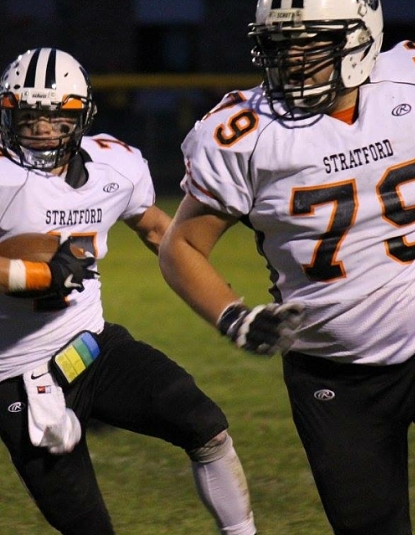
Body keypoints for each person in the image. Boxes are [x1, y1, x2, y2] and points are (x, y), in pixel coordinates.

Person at [158, 1, 415, 534]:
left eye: (306, 45)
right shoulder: (246, 134)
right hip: (332, 376)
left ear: (360, 39)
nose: (289, 62)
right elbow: (181, 247)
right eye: (278, 46)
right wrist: (233, 315)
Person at [0, 47, 257, 535]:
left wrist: (219, 289)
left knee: (205, 426)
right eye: (28, 117)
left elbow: (159, 230)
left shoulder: (116, 166)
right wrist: (36, 276)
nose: (40, 129)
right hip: (14, 371)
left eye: (57, 117)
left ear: (83, 117)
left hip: (90, 346)